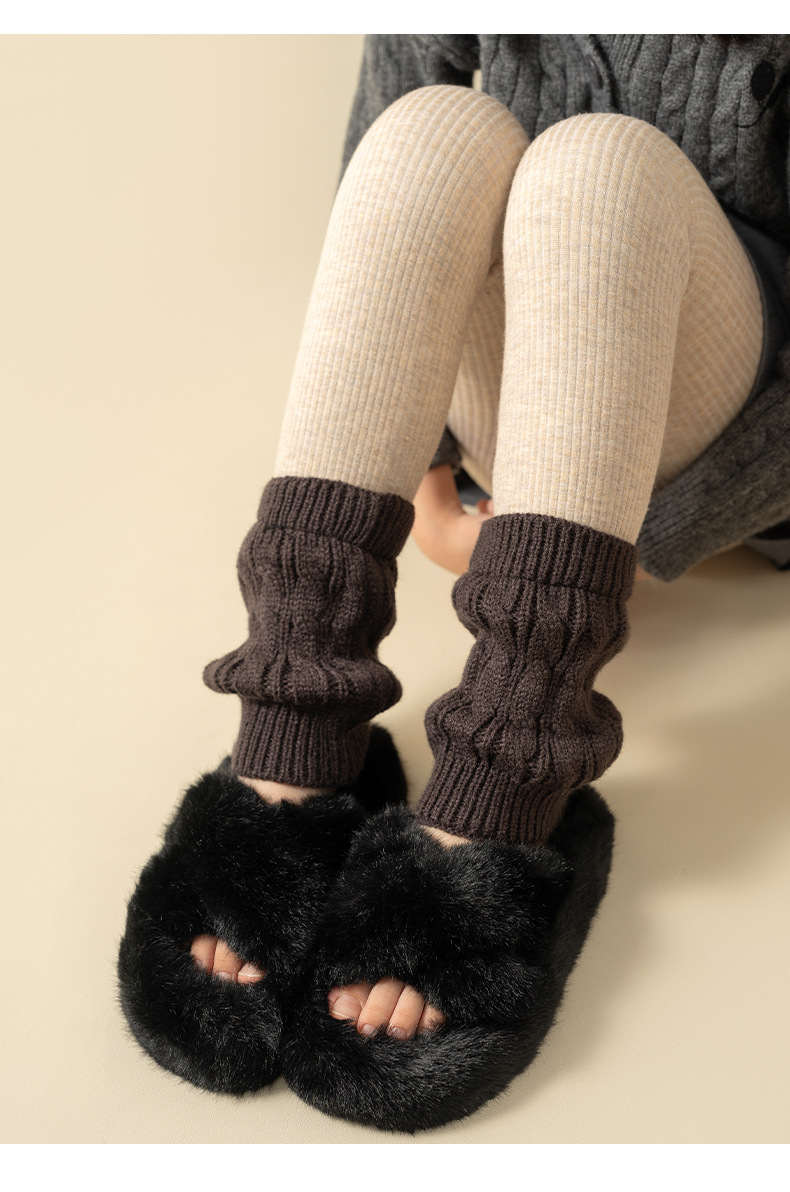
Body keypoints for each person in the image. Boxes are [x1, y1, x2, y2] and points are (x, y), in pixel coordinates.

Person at [118, 35, 790, 1132]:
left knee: (599, 165)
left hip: (727, 401)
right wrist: (432, 476)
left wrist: (646, 524)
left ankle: (506, 780)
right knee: (429, 135)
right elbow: (380, 218)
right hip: (514, 397)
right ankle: (292, 736)